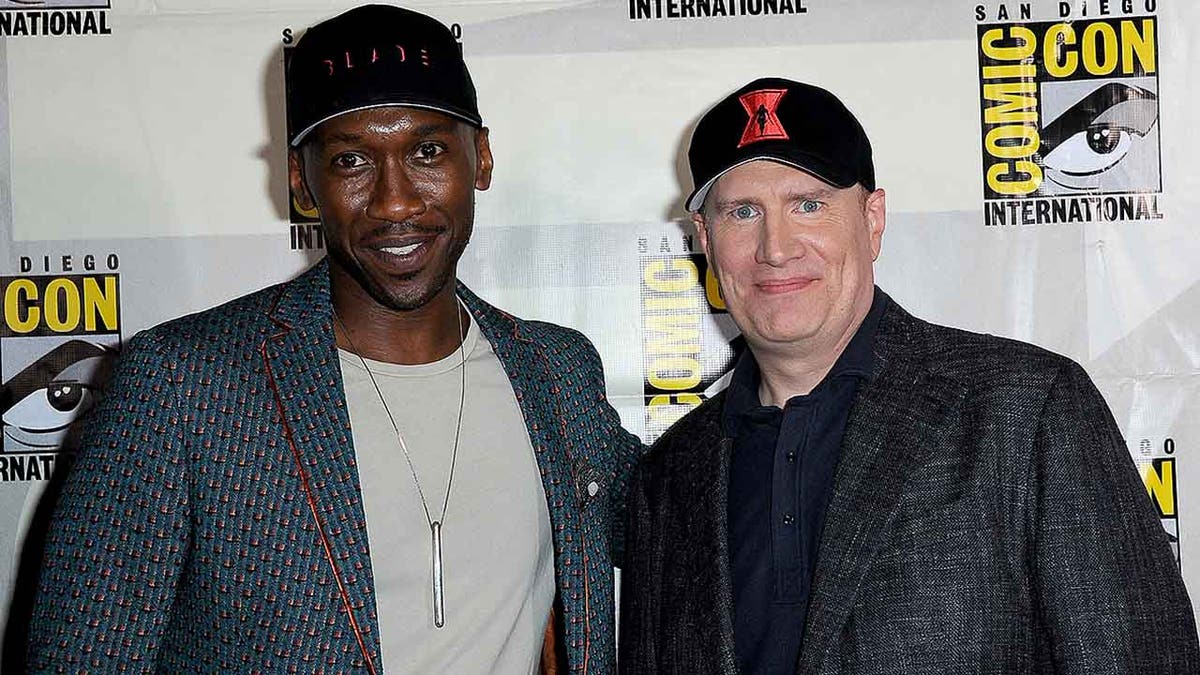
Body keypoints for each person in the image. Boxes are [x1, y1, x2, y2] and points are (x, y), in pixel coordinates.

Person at [27, 5, 643, 673]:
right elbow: (82, 655)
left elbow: (689, 522)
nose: (396, 201)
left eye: (428, 151)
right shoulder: (184, 382)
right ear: (302, 181)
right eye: (352, 160)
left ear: (483, 157)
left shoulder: (556, 372)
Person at [618, 77, 1198, 674]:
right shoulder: (669, 478)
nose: (776, 247)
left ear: (872, 220)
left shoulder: (1025, 412)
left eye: (808, 205)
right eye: (743, 213)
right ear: (706, 240)